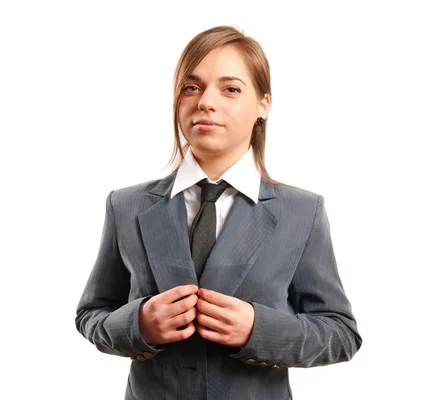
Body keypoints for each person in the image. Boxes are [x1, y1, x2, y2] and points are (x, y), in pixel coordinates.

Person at [75, 25, 361, 400]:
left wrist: (258, 329)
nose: (206, 102)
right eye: (191, 87)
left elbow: (341, 333)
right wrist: (139, 323)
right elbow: (91, 315)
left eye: (231, 89)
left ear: (263, 104)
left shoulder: (302, 212)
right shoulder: (125, 205)